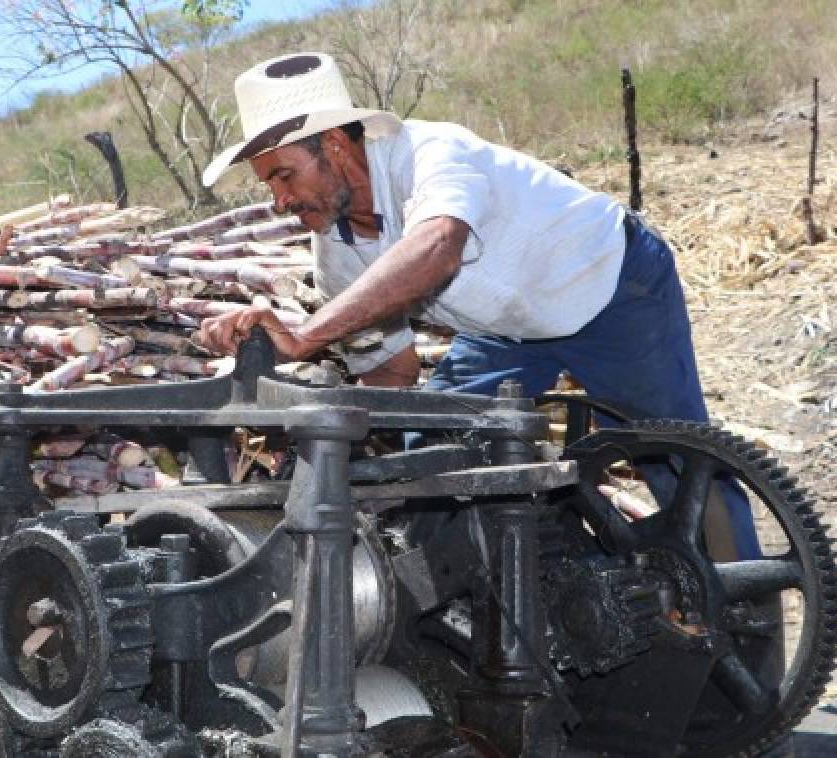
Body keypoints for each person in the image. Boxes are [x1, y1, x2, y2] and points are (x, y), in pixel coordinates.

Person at [195, 51, 761, 558]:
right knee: (435, 453)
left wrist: (307, 335)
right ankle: (497, 607)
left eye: (285, 175)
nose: (279, 201)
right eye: (269, 186)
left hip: (610, 287)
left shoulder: (429, 151)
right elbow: (392, 372)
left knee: (680, 460)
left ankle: (746, 629)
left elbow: (437, 246)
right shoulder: (337, 254)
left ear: (337, 146)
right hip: (503, 332)